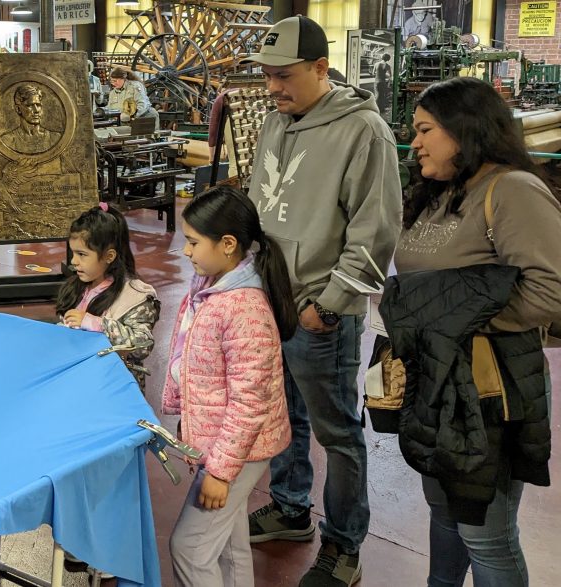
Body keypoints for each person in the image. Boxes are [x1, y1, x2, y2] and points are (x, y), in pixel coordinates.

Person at [240, 15, 403, 586]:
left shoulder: (364, 131)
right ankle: (289, 508)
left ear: (319, 67)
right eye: (266, 77)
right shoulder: (275, 122)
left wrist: (328, 305)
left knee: (337, 432)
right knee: (281, 416)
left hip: (320, 314)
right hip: (270, 303)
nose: (273, 88)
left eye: (283, 76)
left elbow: (376, 232)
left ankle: (344, 545)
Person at [395, 76, 561, 586]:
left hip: (491, 388)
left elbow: (551, 289)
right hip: (438, 382)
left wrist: (456, 323)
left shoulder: (511, 189)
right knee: (444, 515)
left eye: (424, 130)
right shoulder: (441, 192)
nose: (415, 142)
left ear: (464, 130)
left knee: (487, 535)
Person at [162, 185, 296, 587]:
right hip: (225, 443)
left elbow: (249, 403)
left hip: (237, 450)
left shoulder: (243, 307)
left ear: (227, 244)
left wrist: (220, 471)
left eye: (192, 242)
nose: (185, 251)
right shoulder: (213, 288)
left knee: (189, 548)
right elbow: (201, 372)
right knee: (228, 545)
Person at [57, 203, 159, 390]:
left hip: (113, 388)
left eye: (82, 254)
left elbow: (142, 345)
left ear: (109, 256)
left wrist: (96, 323)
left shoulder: (135, 297)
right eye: (73, 253)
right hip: (79, 382)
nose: (73, 261)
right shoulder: (77, 288)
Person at [0, 84, 63, 155]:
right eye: (29, 105)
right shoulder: (8, 140)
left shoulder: (54, 138)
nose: (36, 110)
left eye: (38, 105)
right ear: (18, 109)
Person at [373, 52, 393, 117]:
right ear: (388, 59)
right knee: (382, 96)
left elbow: (373, 73)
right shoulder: (387, 66)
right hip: (383, 82)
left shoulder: (376, 64)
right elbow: (390, 75)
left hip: (376, 82)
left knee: (377, 95)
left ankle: (375, 108)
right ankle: (381, 109)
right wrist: (386, 77)